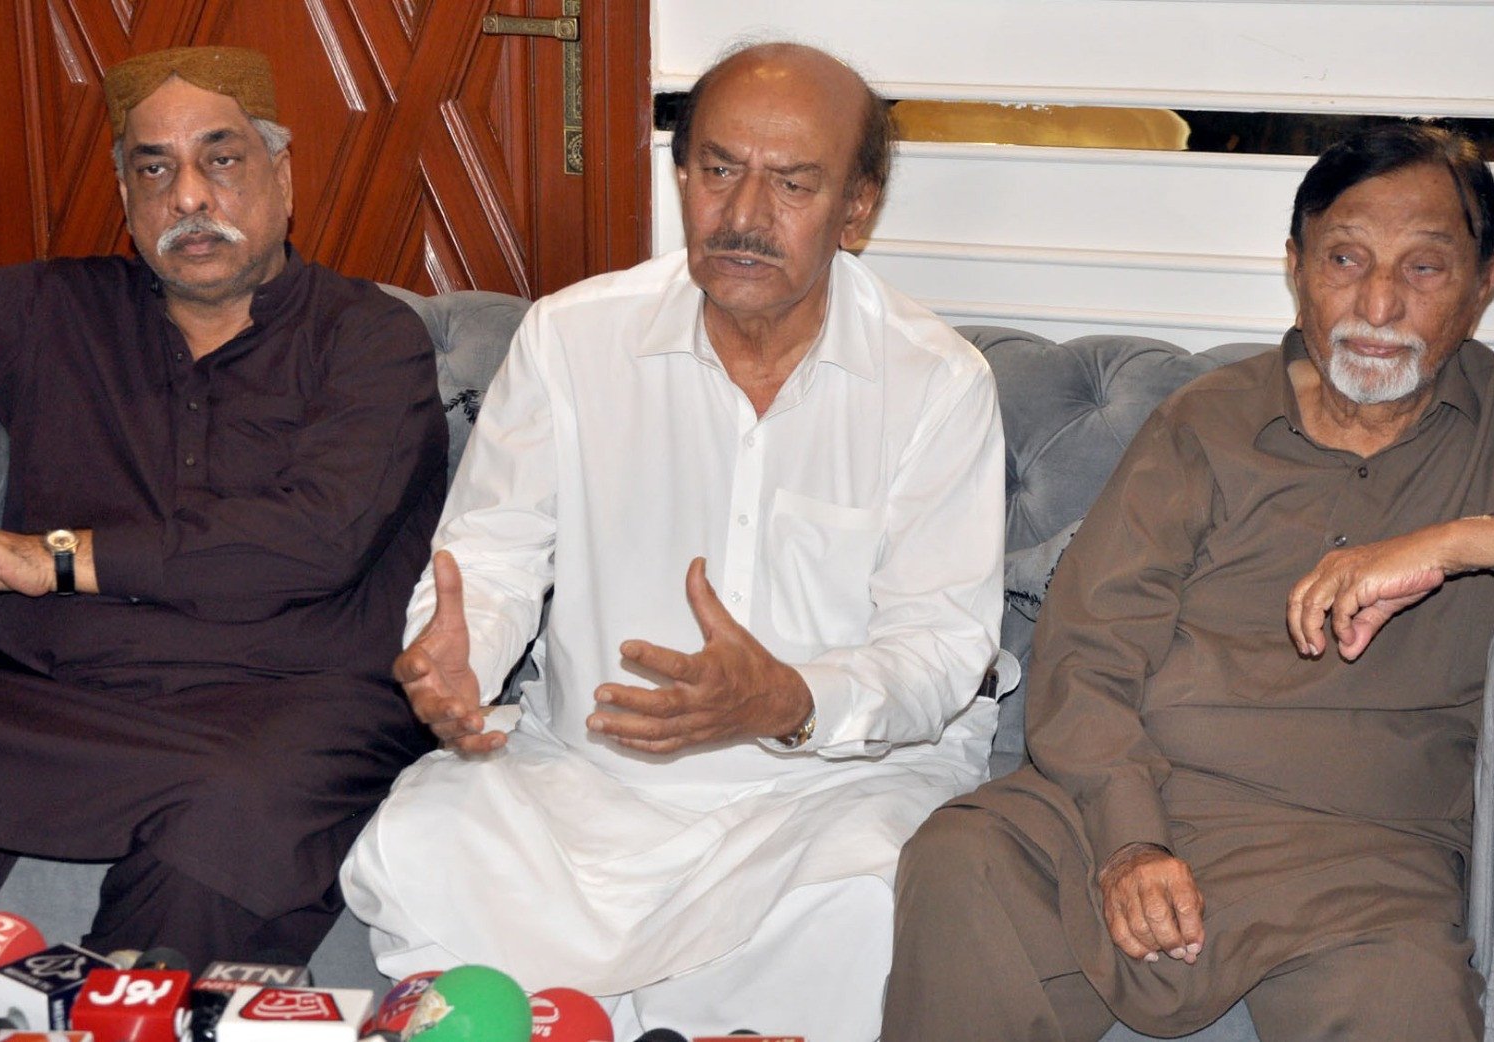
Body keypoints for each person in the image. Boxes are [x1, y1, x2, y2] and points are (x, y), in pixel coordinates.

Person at [340, 42, 1004, 1041]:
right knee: (423, 840)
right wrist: (457, 657)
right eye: (719, 169)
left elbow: (940, 648)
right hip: (594, 779)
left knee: (869, 901)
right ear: (681, 176)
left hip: (823, 792)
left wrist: (785, 698)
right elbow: (491, 555)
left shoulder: (938, 384)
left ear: (856, 210)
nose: (744, 215)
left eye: (791, 183)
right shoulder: (572, 340)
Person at [883, 122, 1494, 1041]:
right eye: (1344, 259)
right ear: (1294, 267)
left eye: (1423, 268)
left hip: (1367, 860)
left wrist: (1465, 543)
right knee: (961, 857)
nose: (1377, 304)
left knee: (1405, 1008)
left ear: (1484, 284)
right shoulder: (1205, 423)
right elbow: (1088, 650)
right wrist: (1130, 836)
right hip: (1137, 805)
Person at [0, 46, 446, 970]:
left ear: (281, 176)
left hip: (287, 708)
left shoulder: (368, 339)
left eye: (220, 158)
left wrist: (63, 559)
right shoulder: (50, 311)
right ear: (126, 194)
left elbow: (314, 540)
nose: (188, 196)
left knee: (238, 817)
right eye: (153, 166)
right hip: (54, 691)